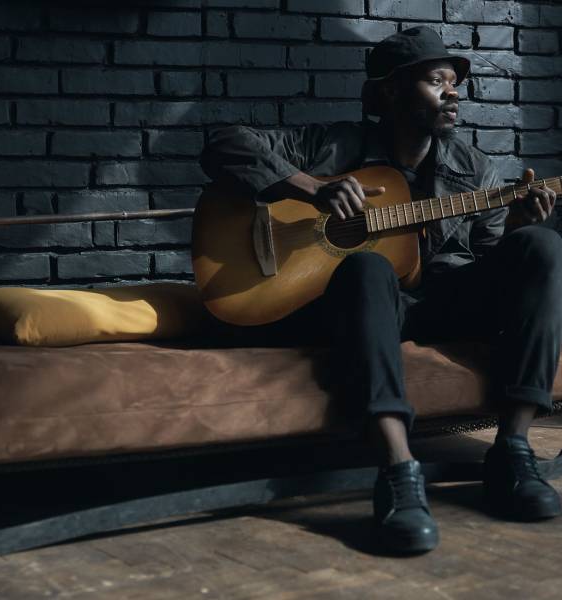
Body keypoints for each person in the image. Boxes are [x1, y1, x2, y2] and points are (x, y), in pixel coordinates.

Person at [199, 26, 562, 554]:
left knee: (541, 245)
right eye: (436, 80)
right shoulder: (335, 144)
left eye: (456, 82)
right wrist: (313, 188)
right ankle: (398, 470)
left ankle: (512, 451)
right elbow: (224, 144)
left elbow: (487, 265)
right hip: (358, 307)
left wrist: (513, 230)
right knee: (369, 265)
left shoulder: (473, 168)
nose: (453, 91)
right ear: (390, 91)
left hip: (438, 302)